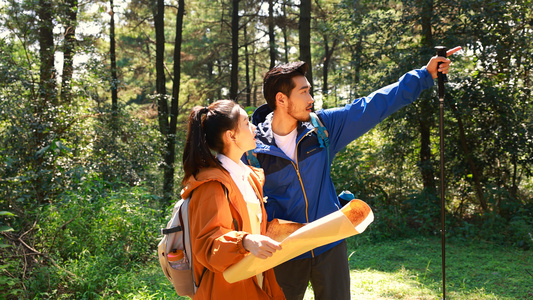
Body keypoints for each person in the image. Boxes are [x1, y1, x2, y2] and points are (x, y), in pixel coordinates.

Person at [250, 47, 462, 300]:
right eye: (304, 92)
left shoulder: (322, 128)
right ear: (281, 99)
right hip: (283, 249)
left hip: (329, 242)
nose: (311, 98)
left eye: (310, 90)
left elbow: (372, 106)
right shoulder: (252, 147)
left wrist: (424, 75)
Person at [181, 100, 286, 299]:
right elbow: (209, 245)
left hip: (257, 277)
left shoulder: (249, 176)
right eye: (246, 123)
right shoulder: (212, 185)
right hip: (228, 288)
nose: (254, 127)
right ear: (231, 135)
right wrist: (245, 241)